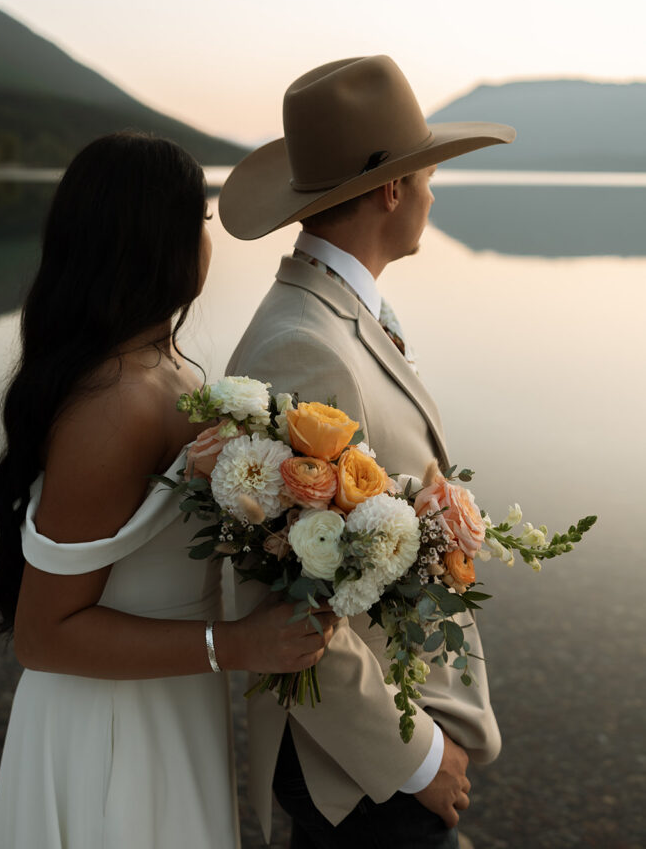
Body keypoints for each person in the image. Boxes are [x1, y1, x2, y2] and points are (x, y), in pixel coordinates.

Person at [0, 132, 336, 849]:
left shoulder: (168, 367)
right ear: (159, 240)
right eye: (201, 222)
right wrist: (234, 644)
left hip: (170, 694)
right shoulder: (109, 403)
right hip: (110, 721)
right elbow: (42, 636)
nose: (210, 241)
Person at [219, 55, 516, 849]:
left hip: (382, 739)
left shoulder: (341, 314)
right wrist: (417, 760)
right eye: (423, 174)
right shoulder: (300, 347)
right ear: (390, 190)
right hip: (355, 769)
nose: (429, 191)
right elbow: (279, 605)